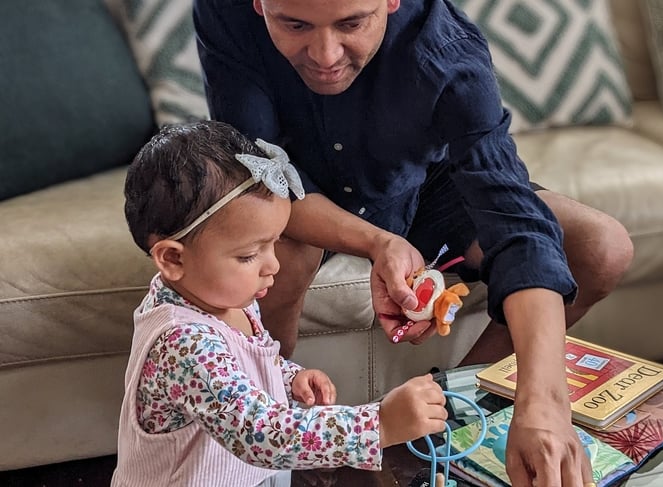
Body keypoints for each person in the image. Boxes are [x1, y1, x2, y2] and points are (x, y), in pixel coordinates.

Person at [193, 0, 634, 485]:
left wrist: (546, 402)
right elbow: (261, 175)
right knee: (271, 258)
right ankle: (276, 445)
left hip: (427, 189)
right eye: (295, 24)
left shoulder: (445, 48)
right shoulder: (224, 12)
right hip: (300, 197)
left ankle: (455, 418)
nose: (324, 54)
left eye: (352, 23)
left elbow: (514, 217)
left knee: (600, 246)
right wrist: (379, 243)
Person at [112, 120, 449, 487]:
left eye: (273, 243)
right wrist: (380, 423)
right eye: (248, 255)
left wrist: (287, 378)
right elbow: (260, 433)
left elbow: (243, 364)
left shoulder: (222, 297)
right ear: (173, 259)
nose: (272, 265)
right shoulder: (183, 344)